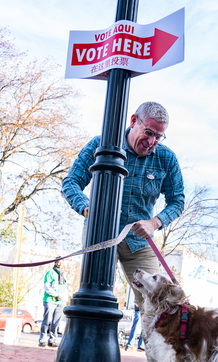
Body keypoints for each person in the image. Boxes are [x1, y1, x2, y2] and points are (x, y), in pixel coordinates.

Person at [62, 101, 185, 310]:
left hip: (139, 243)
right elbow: (70, 183)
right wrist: (88, 209)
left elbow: (178, 201)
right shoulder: (101, 145)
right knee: (95, 299)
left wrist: (154, 222)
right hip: (101, 236)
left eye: (158, 136)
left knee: (157, 306)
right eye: (148, 132)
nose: (151, 141)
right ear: (134, 121)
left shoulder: (167, 158)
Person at [38, 260, 68, 348]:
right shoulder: (50, 273)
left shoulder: (63, 275)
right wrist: (56, 295)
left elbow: (65, 288)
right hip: (50, 300)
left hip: (60, 301)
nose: (60, 264)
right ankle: (42, 340)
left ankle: (52, 340)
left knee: (56, 322)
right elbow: (47, 287)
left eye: (62, 262)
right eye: (58, 262)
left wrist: (63, 298)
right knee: (46, 321)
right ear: (55, 263)